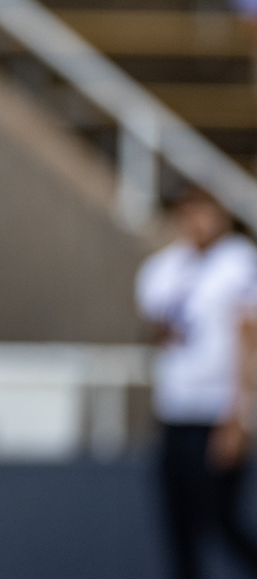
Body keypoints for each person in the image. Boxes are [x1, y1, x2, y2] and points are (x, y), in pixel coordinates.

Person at [136, 187, 257, 579]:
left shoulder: (239, 262)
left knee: (221, 521)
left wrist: (240, 415)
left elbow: (248, 340)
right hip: (175, 410)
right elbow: (156, 332)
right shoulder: (162, 269)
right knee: (178, 527)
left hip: (217, 411)